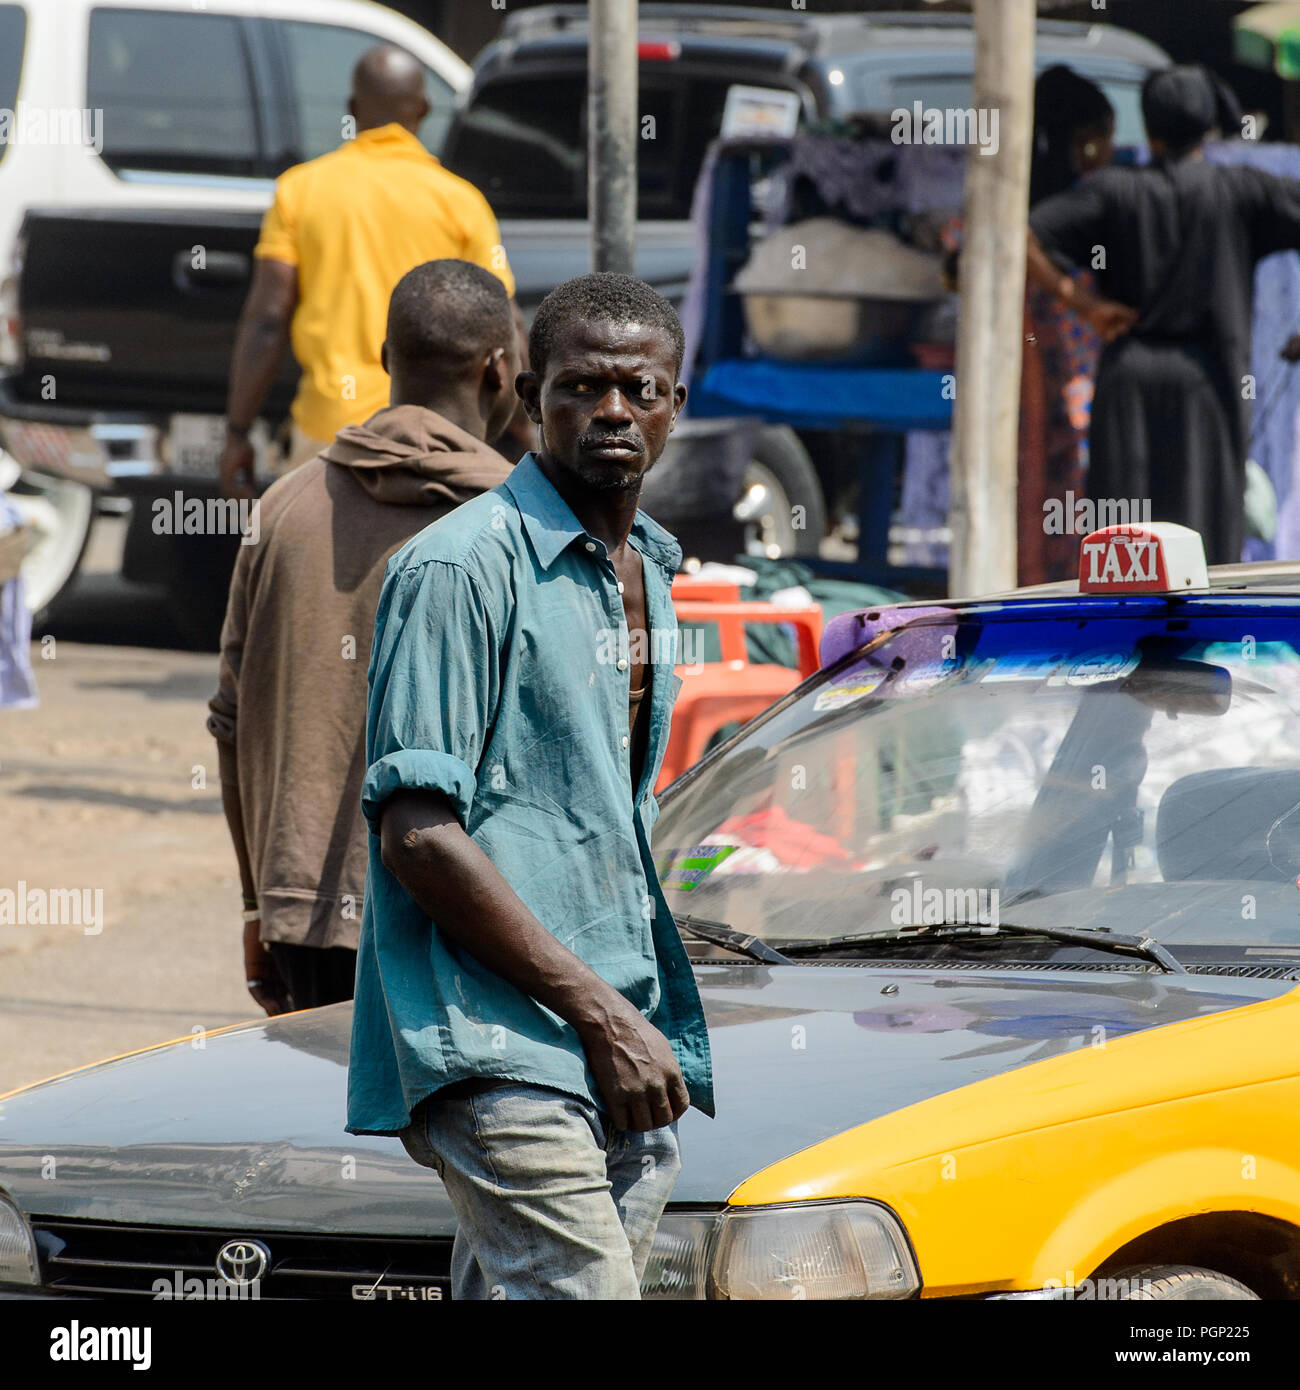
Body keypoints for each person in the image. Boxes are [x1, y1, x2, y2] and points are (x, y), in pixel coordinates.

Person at [346, 273, 715, 1301]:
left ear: (674, 403)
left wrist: (624, 1020)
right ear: (525, 399)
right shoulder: (459, 570)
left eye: (637, 388)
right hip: (501, 1041)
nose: (610, 411)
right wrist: (596, 1012)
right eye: (579, 387)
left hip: (620, 1046)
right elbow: (418, 835)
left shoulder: (647, 566)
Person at [207, 261, 518, 1016]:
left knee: (328, 1134)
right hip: (482, 922)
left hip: (306, 915)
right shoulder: (524, 527)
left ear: (385, 360)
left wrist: (259, 906)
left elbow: (230, 722)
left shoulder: (286, 506)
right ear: (501, 371)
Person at [1026, 65, 1300, 564]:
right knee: (1207, 527)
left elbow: (1022, 234)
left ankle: (1122, 633)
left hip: (1130, 375)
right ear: (1208, 127)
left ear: (1147, 129)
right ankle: (1200, 636)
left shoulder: (1113, 190)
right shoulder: (1243, 191)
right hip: (1210, 381)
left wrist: (1084, 304)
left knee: (1123, 534)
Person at [219, 45, 517, 498]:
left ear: (353, 110)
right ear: (423, 108)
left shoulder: (301, 190)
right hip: (434, 438)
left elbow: (267, 320)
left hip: (328, 435)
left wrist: (238, 432)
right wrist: (510, 431)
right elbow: (503, 325)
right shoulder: (462, 202)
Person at [1020, 67, 1115, 583]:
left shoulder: (1014, 190)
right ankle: (1059, 587)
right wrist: (1078, 302)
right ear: (1081, 140)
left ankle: (1022, 583)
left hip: (1022, 370)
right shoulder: (1081, 203)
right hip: (1069, 366)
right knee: (1073, 479)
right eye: (1105, 137)